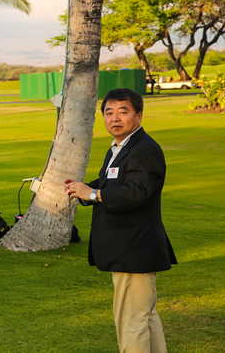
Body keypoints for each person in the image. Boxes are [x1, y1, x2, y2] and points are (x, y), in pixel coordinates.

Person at [65, 88, 177, 353]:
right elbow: (112, 183)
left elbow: (138, 192)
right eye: (109, 112)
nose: (115, 118)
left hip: (133, 250)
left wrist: (93, 193)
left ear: (138, 115)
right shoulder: (120, 147)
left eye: (123, 112)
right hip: (126, 249)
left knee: (130, 321)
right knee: (144, 317)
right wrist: (85, 189)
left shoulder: (144, 149)